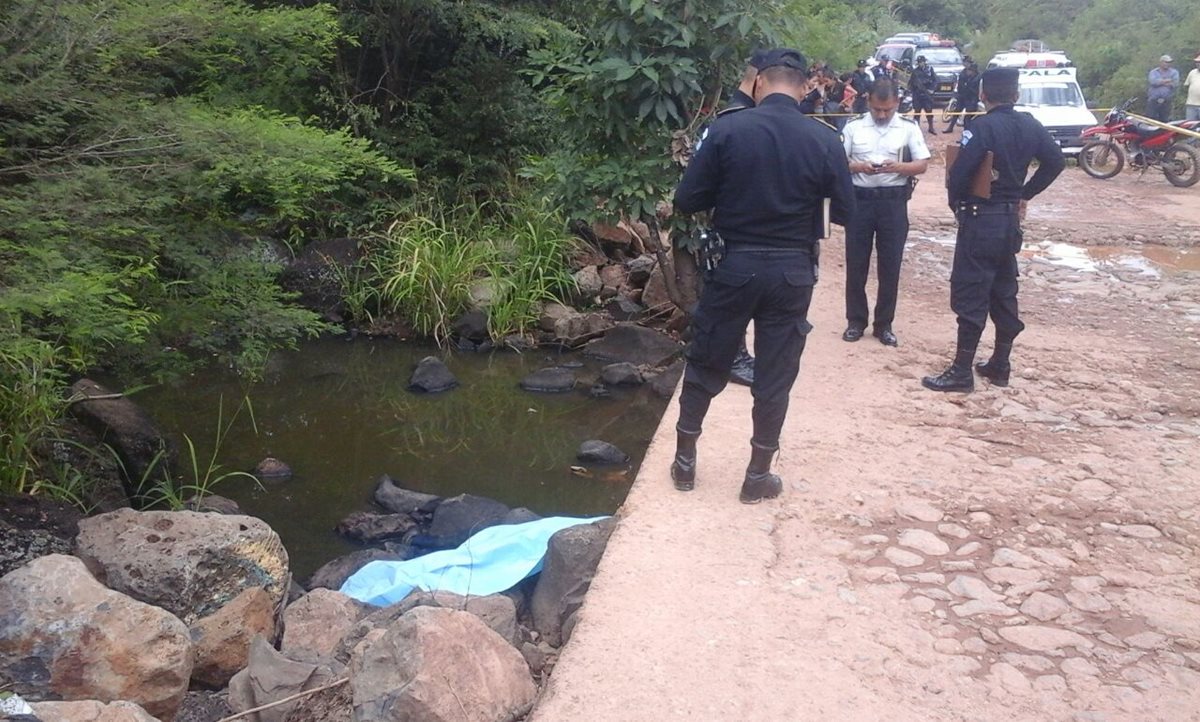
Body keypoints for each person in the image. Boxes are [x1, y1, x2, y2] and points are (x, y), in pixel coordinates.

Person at [670, 48, 854, 503]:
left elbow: (687, 200)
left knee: (708, 358)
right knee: (775, 374)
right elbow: (848, 212)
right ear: (805, 86)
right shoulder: (825, 139)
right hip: (792, 272)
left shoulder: (728, 129)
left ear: (758, 83)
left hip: (735, 265)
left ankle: (685, 462)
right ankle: (756, 477)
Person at [922, 67, 1065, 393]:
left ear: (983, 95)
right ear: (1015, 95)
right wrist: (1023, 194)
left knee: (971, 292)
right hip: (1009, 222)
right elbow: (1055, 161)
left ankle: (961, 372)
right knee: (1003, 290)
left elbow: (960, 174)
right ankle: (1000, 364)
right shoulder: (1030, 125)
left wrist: (956, 205)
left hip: (980, 218)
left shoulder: (982, 127)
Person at [841, 79, 930, 347]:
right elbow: (838, 162)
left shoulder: (907, 128)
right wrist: (858, 167)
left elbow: (922, 164)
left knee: (890, 265)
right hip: (860, 201)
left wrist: (898, 167)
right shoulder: (854, 127)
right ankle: (856, 321)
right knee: (857, 263)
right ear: (868, 102)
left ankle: (884, 324)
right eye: (878, 109)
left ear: (897, 104)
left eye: (887, 110)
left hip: (893, 203)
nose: (882, 115)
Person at [908, 55, 939, 134]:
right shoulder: (915, 71)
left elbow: (935, 80)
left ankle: (931, 127)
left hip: (927, 94)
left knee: (929, 111)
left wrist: (932, 89)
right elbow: (911, 83)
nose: (920, 64)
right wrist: (913, 90)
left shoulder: (929, 70)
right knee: (917, 113)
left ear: (925, 62)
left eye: (922, 62)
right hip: (918, 94)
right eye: (919, 62)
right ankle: (916, 129)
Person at [946, 62, 980, 133]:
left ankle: (966, 135)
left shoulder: (977, 78)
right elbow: (961, 85)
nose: (968, 72)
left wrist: (967, 86)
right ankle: (951, 127)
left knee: (967, 119)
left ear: (973, 71)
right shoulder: (966, 75)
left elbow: (975, 90)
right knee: (956, 112)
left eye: (970, 70)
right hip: (963, 97)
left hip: (971, 100)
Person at [1147, 55, 1180, 123]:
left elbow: (1175, 84)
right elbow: (1153, 82)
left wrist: (1159, 81)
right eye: (1166, 62)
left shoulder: (1174, 72)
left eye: (1169, 62)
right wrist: (1167, 81)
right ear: (1161, 62)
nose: (1168, 64)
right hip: (1153, 100)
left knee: (1165, 120)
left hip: (1166, 100)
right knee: (1151, 119)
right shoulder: (1153, 72)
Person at [1185, 55, 1200, 122]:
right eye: (1197, 62)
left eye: (1199, 62)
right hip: (1191, 105)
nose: (1198, 63)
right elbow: (1186, 85)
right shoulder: (1192, 72)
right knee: (1189, 125)